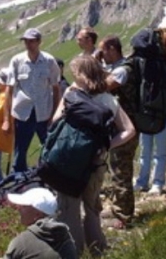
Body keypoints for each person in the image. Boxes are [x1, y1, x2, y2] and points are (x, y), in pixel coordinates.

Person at [53, 55, 136, 256]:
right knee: (92, 209)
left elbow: (54, 122)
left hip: (69, 162)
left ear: (80, 75)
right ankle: (98, 251)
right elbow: (129, 130)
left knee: (69, 210)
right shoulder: (108, 99)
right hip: (95, 161)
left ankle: (74, 253)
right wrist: (106, 146)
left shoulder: (71, 96)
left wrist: (67, 95)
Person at [4, 28, 61, 172]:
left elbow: (56, 89)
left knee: (49, 149)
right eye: (26, 41)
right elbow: (9, 89)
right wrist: (6, 119)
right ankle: (19, 181)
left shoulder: (49, 61)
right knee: (20, 152)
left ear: (39, 42)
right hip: (23, 114)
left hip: (44, 114)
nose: (28, 44)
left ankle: (50, 178)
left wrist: (54, 115)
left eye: (32, 41)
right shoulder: (17, 61)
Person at [97, 35, 138, 229]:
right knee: (116, 167)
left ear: (112, 49)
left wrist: (94, 67)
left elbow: (103, 87)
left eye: (103, 50)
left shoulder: (122, 70)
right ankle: (116, 207)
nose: (101, 54)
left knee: (122, 170)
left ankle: (123, 215)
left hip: (127, 126)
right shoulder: (117, 68)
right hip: (119, 126)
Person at [3, 187, 77, 259]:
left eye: (24, 206)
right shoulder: (66, 238)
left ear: (37, 214)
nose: (19, 208)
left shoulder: (21, 242)